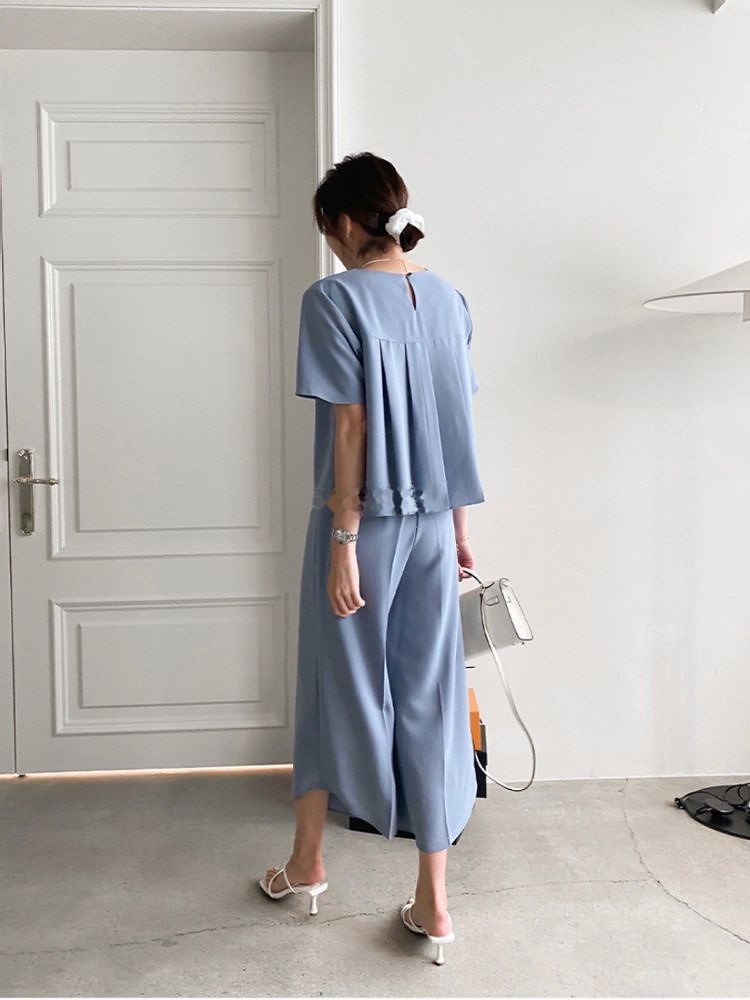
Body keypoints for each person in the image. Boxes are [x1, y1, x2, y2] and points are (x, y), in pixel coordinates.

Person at [259, 152, 484, 965]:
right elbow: (457, 420)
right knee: (432, 695)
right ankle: (434, 903)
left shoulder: (333, 299)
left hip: (362, 526)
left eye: (326, 227)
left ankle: (308, 864)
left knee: (332, 685)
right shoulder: (449, 298)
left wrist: (346, 543)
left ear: (346, 223)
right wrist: (458, 530)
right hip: (434, 527)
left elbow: (351, 426)